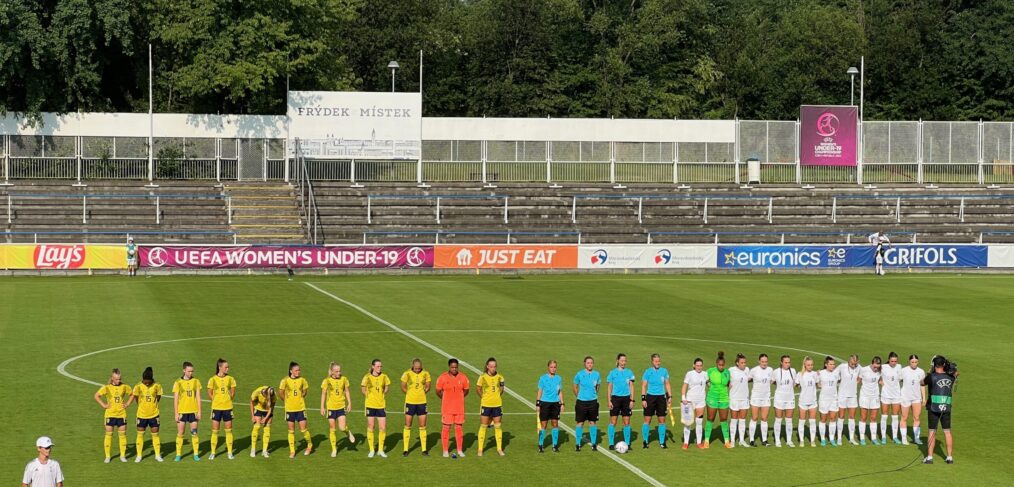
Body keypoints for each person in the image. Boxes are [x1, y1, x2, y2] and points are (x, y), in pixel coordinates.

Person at [922, 356, 957, 464]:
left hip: (933, 407)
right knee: (947, 431)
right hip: (946, 407)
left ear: (934, 365)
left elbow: (922, 382)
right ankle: (949, 457)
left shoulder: (931, 376)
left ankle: (929, 457)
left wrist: (929, 371)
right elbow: (956, 373)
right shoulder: (951, 376)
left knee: (932, 431)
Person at [94, 368, 134, 463]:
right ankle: (107, 456)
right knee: (108, 435)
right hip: (110, 414)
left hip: (121, 414)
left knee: (122, 435)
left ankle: (123, 456)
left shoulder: (125, 387)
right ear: (112, 378)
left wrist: (127, 404)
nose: (118, 381)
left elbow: (132, 394)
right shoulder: (107, 387)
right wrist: (104, 405)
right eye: (116, 379)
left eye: (119, 379)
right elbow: (96, 395)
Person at [436, 358, 470, 457]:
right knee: (446, 428)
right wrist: (446, 399)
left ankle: (460, 450)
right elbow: (438, 391)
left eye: (456, 367)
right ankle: (445, 450)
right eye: (452, 367)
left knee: (459, 428)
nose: (454, 369)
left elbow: (466, 390)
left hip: (459, 408)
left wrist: (459, 398)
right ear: (449, 367)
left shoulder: (463, 377)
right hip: (447, 408)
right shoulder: (442, 377)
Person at [321, 362, 355, 458]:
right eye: (336, 371)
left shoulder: (344, 379)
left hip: (341, 407)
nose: (339, 373)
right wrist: (322, 407)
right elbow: (323, 394)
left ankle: (347, 432)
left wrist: (350, 403)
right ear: (332, 372)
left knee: (342, 427)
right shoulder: (326, 381)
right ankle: (334, 449)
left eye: (340, 371)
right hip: (331, 408)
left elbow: (347, 391)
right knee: (332, 429)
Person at [279, 361, 313, 458]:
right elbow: (280, 392)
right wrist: (285, 401)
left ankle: (310, 445)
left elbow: (305, 390)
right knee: (291, 431)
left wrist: (301, 397)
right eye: (296, 370)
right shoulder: (285, 380)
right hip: (289, 409)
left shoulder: (302, 380)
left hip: (300, 408)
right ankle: (292, 451)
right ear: (291, 371)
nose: (299, 372)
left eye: (299, 370)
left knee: (303, 430)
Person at [400, 358, 431, 457]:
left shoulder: (426, 373)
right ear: (412, 366)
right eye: (416, 368)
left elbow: (428, 385)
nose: (417, 370)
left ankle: (424, 449)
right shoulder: (407, 373)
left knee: (422, 425)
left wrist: (423, 392)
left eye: (419, 368)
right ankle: (405, 449)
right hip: (410, 402)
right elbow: (403, 386)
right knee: (407, 424)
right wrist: (409, 394)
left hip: (422, 402)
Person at [131, 366, 163, 462]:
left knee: (155, 435)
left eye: (149, 381)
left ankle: (157, 455)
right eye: (145, 381)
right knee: (140, 435)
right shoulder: (138, 386)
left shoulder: (157, 385)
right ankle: (139, 455)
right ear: (143, 379)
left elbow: (159, 396)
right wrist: (142, 405)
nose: (147, 383)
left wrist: (153, 404)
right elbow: (136, 397)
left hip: (154, 414)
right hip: (142, 415)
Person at [207, 358, 237, 460]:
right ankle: (213, 452)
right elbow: (209, 393)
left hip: (228, 408)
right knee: (215, 431)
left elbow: (233, 393)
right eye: (226, 367)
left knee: (228, 431)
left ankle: (229, 452)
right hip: (216, 408)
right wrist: (215, 401)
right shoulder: (213, 379)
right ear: (220, 367)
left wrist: (229, 397)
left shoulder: (231, 379)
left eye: (228, 367)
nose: (228, 368)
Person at [475, 357, 506, 456]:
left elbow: (502, 388)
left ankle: (499, 449)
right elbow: (478, 389)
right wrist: (483, 397)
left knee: (498, 426)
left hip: (497, 404)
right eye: (491, 366)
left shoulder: (500, 377)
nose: (493, 368)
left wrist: (497, 396)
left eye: (494, 366)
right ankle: (480, 449)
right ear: (487, 367)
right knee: (483, 426)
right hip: (486, 405)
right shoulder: (482, 377)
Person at [640, 353, 672, 449]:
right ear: (652, 362)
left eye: (659, 361)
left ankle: (662, 442)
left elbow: (667, 384)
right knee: (647, 420)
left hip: (661, 398)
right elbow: (644, 386)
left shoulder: (664, 371)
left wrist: (670, 396)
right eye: (656, 361)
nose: (658, 363)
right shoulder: (648, 372)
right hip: (650, 397)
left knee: (662, 420)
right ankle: (645, 441)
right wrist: (643, 399)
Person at [361, 359, 391, 458]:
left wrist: (384, 393)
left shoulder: (384, 376)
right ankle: (371, 450)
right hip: (370, 405)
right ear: (373, 366)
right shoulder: (367, 377)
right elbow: (363, 389)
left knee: (382, 427)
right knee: (371, 426)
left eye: (380, 366)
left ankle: (381, 450)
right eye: (378, 366)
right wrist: (369, 396)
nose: (379, 368)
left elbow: (387, 386)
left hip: (381, 405)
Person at [172, 361, 201, 461]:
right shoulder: (178, 382)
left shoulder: (196, 381)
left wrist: (199, 411)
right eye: (189, 371)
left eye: (192, 371)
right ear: (184, 370)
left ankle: (196, 454)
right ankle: (178, 455)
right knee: (180, 433)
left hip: (193, 411)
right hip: (182, 412)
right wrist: (176, 413)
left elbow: (198, 397)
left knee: (194, 433)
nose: (191, 373)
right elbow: (175, 399)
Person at [605, 353, 635, 451]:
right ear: (617, 360)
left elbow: (631, 386)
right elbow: (609, 387)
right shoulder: (612, 372)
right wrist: (609, 400)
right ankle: (611, 443)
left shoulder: (629, 372)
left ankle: (627, 443)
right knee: (613, 421)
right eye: (621, 360)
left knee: (626, 422)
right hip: (616, 399)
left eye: (625, 361)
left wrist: (632, 399)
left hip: (626, 399)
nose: (623, 362)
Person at [704, 351, 732, 449]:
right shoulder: (710, 371)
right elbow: (705, 381)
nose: (721, 367)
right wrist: (709, 387)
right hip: (712, 398)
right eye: (719, 365)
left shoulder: (727, 372)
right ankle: (706, 441)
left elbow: (728, 383)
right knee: (710, 418)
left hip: (724, 398)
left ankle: (727, 441)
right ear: (716, 364)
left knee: (724, 419)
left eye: (722, 365)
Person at [573, 356, 601, 452]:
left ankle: (593, 444)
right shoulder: (579, 374)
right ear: (584, 363)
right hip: (581, 402)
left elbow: (598, 386)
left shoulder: (597, 374)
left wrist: (594, 395)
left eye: (591, 363)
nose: (590, 364)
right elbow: (575, 386)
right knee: (580, 423)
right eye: (588, 363)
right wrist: (579, 396)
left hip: (593, 402)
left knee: (592, 422)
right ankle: (577, 444)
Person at [537, 360, 564, 453]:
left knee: (555, 424)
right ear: (548, 367)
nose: (553, 369)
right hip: (545, 403)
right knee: (543, 425)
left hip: (555, 404)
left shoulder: (559, 378)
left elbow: (560, 391)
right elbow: (540, 391)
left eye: (555, 367)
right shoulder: (542, 378)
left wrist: (562, 403)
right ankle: (540, 444)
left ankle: (555, 445)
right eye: (551, 367)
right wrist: (538, 404)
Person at [899, 354, 927, 446]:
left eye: (916, 362)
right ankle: (903, 438)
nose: (914, 364)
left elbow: (922, 385)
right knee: (904, 417)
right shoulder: (903, 371)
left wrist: (924, 398)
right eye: (912, 362)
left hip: (916, 398)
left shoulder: (921, 372)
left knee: (917, 418)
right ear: (909, 362)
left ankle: (916, 438)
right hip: (905, 397)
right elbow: (898, 381)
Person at [680, 358, 707, 450]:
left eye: (700, 365)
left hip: (701, 401)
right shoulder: (690, 374)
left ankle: (699, 442)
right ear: (694, 365)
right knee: (688, 422)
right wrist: (683, 397)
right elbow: (684, 386)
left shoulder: (705, 374)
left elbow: (709, 384)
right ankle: (686, 443)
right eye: (697, 365)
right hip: (690, 401)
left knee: (699, 422)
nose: (699, 367)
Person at [772, 355, 797, 448]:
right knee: (778, 419)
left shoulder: (793, 371)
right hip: (779, 399)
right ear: (781, 362)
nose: (787, 364)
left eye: (789, 362)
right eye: (786, 362)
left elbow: (795, 383)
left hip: (790, 398)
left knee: (789, 420)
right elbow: (772, 382)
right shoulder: (776, 372)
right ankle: (777, 440)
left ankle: (789, 440)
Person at [836, 354, 861, 445]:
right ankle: (839, 438)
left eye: (855, 364)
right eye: (852, 364)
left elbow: (860, 378)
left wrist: (855, 383)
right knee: (841, 416)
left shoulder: (859, 368)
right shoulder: (842, 367)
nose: (853, 365)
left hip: (853, 395)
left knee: (852, 417)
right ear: (848, 361)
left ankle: (851, 438)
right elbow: (834, 374)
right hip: (842, 395)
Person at [748, 354, 773, 447]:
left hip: (766, 397)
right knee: (754, 418)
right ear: (759, 361)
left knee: (764, 418)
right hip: (755, 397)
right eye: (762, 361)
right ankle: (751, 440)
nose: (764, 363)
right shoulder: (754, 370)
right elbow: (748, 379)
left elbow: (772, 380)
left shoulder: (770, 370)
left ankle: (764, 440)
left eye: (766, 361)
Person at [880, 351, 903, 444]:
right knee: (884, 416)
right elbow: (875, 374)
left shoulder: (899, 367)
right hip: (885, 394)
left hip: (896, 395)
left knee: (895, 416)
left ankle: (894, 436)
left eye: (895, 361)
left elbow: (901, 378)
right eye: (892, 361)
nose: (894, 363)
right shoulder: (883, 367)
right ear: (888, 360)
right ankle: (883, 437)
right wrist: (879, 381)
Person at [858, 356, 883, 445]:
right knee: (863, 417)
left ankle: (873, 438)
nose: (876, 368)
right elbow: (858, 381)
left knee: (873, 418)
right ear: (871, 363)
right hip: (864, 396)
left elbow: (880, 381)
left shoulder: (880, 371)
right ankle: (862, 438)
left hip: (875, 396)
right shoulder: (864, 370)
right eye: (874, 367)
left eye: (878, 367)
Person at [796, 356, 819, 447]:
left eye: (812, 365)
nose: (810, 366)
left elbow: (818, 385)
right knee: (802, 421)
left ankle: (812, 441)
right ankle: (801, 440)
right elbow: (796, 385)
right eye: (808, 365)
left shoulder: (815, 374)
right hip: (803, 401)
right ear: (805, 365)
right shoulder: (800, 374)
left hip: (813, 401)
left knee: (812, 422)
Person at [728, 353, 751, 448]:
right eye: (742, 362)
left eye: (745, 362)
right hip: (734, 398)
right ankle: (732, 440)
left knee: (742, 420)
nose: (744, 364)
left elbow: (748, 380)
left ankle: (741, 440)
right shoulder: (731, 370)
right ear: (737, 363)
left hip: (744, 398)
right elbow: (726, 381)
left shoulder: (747, 370)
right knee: (734, 420)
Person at [817, 356, 839, 447]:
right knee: (823, 419)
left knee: (833, 419)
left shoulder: (836, 373)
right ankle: (822, 439)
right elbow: (817, 384)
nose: (832, 366)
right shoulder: (820, 373)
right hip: (824, 399)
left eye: (833, 364)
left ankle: (831, 438)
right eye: (830, 364)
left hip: (834, 399)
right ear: (826, 365)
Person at [248, 385, 276, 457]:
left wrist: (266, 418)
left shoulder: (273, 395)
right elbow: (251, 402)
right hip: (258, 408)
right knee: (256, 427)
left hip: (267, 411)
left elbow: (271, 408)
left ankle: (264, 451)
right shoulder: (257, 392)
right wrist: (252, 416)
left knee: (267, 429)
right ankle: (253, 450)